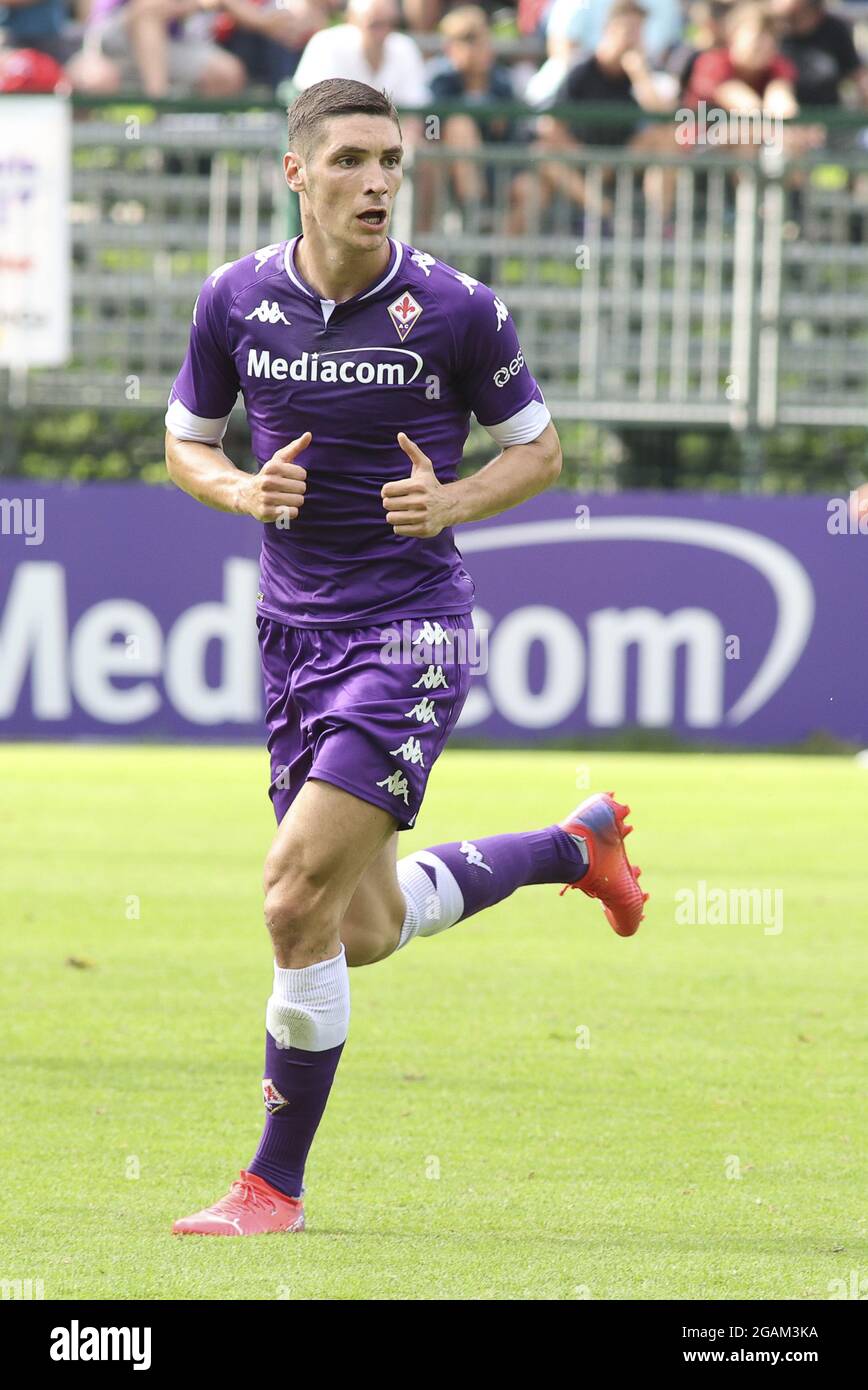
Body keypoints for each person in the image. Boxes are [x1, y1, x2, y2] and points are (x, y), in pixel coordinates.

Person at [164, 77, 648, 1237]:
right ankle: (567, 845)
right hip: (293, 636)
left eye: (390, 160)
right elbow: (187, 442)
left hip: (410, 629)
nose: (378, 180)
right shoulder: (234, 301)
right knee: (360, 929)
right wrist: (240, 488)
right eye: (350, 162)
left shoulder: (453, 308)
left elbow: (538, 454)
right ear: (297, 174)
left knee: (291, 899)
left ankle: (270, 1185)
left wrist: (454, 503)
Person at [427, 5, 518, 217]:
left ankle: (496, 249)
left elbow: (511, 131)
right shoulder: (440, 79)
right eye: (469, 41)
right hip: (446, 168)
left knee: (528, 186)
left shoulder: (502, 82)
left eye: (482, 40)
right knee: (460, 125)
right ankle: (473, 216)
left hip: (498, 166)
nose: (480, 49)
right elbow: (431, 128)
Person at [67, 0, 246, 97]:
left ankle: (186, 154)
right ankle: (159, 105)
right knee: (149, 8)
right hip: (113, 35)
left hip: (172, 41)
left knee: (226, 73)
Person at [292, 0, 428, 106]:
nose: (383, 33)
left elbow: (414, 114)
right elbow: (313, 108)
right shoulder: (325, 44)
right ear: (352, 21)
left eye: (390, 24)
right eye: (375, 25)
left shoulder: (405, 48)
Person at [769, 0, 867, 108]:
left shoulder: (835, 29)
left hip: (828, 116)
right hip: (782, 117)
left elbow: (857, 74)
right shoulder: (773, 29)